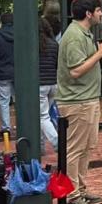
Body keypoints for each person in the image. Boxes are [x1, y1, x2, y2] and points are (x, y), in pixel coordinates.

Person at [57, 0, 102, 204]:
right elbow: (75, 70)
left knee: (86, 149)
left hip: (86, 100)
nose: (101, 14)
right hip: (76, 102)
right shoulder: (74, 37)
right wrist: (100, 54)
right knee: (75, 150)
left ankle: (80, 189)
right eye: (99, 10)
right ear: (89, 13)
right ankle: (72, 197)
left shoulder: (84, 34)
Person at [38, 16, 60, 154]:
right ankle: (40, 147)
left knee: (42, 117)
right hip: (53, 84)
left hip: (39, 85)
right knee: (40, 116)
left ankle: (58, 142)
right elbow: (58, 65)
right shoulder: (53, 44)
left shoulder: (33, 44)